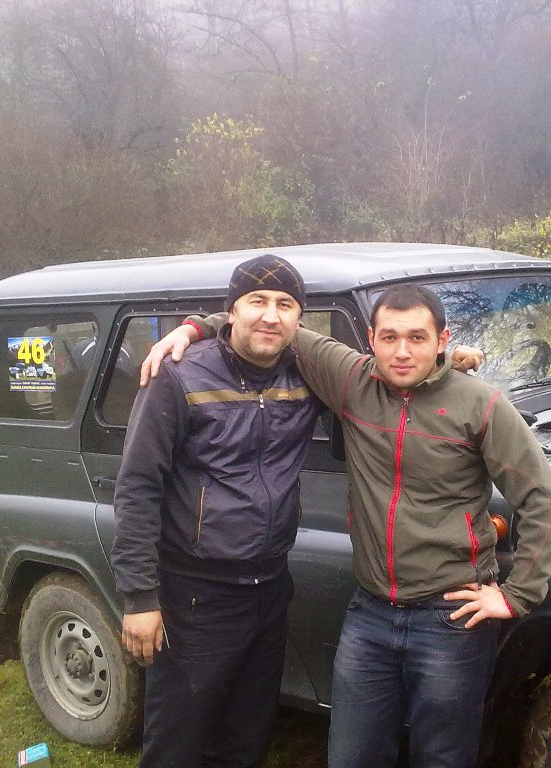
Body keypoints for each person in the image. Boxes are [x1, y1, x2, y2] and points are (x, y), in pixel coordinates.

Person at [143, 283, 551, 768]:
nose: (402, 351)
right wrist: (194, 328)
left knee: (444, 756)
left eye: (417, 337)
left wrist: (516, 595)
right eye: (389, 337)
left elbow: (544, 498)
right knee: (351, 755)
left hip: (450, 618)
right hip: (370, 614)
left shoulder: (480, 404)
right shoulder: (352, 380)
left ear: (442, 339)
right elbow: (271, 322)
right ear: (371, 339)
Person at [111, 255, 325, 768]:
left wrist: (449, 363)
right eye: (257, 301)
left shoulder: (308, 374)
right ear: (232, 310)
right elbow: (138, 486)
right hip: (195, 594)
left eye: (285, 304)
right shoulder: (178, 375)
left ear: (299, 319)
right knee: (178, 737)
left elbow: (385, 370)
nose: (270, 315)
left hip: (270, 587)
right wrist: (140, 597)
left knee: (247, 734)